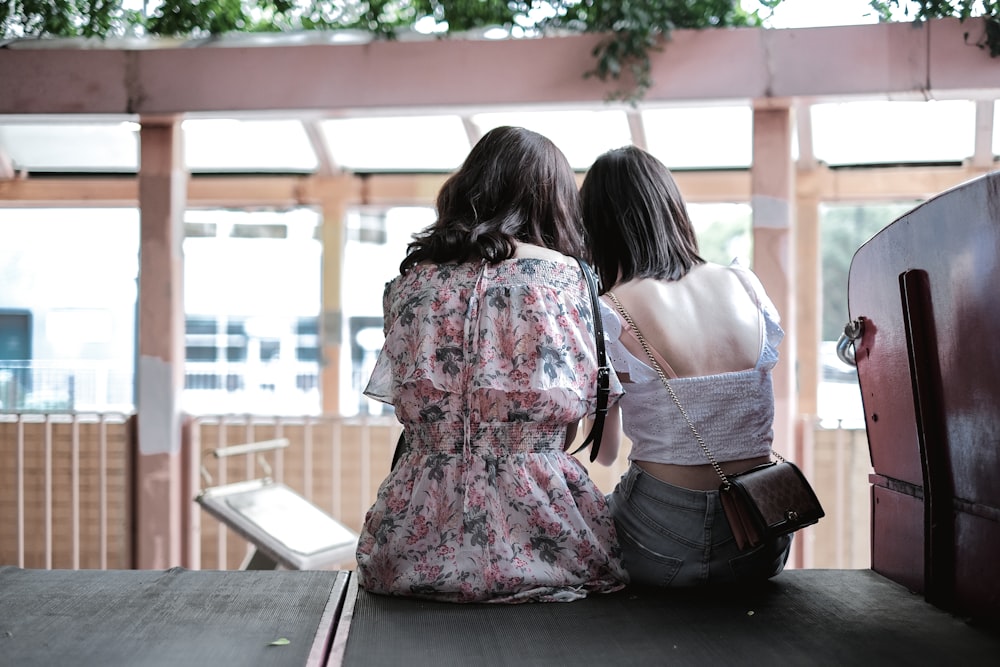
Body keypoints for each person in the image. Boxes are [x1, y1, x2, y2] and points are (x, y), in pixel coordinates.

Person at [356, 126, 628, 603]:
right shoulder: (569, 280)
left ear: (467, 189)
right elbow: (592, 440)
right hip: (547, 535)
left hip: (413, 542)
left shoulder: (410, 285)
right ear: (556, 201)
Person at [579, 145, 791, 587]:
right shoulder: (745, 285)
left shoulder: (610, 309)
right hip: (760, 539)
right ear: (672, 208)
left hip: (658, 543)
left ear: (597, 228)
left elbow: (605, 452)